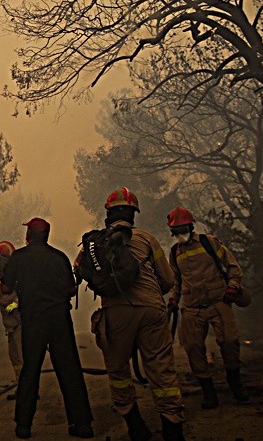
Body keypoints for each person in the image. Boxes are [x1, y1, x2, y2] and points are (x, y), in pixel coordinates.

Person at [75, 188, 185, 441]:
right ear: (133, 215)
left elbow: (80, 272)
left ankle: (135, 424)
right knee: (161, 370)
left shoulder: (95, 243)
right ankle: (172, 428)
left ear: (109, 214)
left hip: (115, 312)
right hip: (151, 309)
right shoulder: (147, 239)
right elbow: (168, 280)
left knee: (119, 371)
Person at [0, 217, 94, 439]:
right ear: (47, 235)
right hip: (59, 319)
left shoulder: (19, 258)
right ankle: (82, 425)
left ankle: (23, 426)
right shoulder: (59, 258)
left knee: (30, 371)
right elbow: (71, 291)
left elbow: (5, 288)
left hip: (33, 321)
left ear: (29, 235)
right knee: (69, 369)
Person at [165, 206, 249, 408]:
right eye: (176, 231)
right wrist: (173, 299)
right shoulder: (175, 252)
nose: (181, 234)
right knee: (193, 348)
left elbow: (233, 267)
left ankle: (234, 382)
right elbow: (176, 279)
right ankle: (208, 392)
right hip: (192, 307)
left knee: (230, 341)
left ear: (191, 226)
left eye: (183, 228)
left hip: (219, 301)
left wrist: (232, 287)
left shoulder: (208, 242)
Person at [0, 240, 23, 399]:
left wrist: (14, 306)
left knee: (23, 359)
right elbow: (5, 297)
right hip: (11, 326)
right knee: (15, 358)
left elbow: (23, 296)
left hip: (20, 324)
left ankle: (28, 391)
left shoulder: (17, 275)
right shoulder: (4, 276)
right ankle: (21, 387)